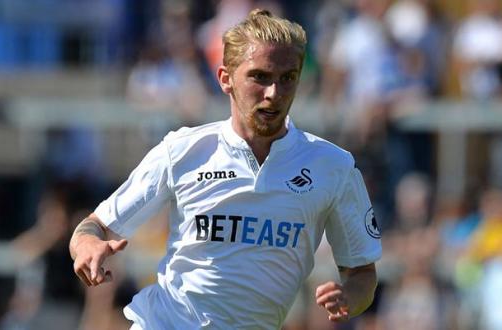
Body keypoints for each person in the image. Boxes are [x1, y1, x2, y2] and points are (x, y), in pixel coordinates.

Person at [69, 9, 381, 329]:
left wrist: (350, 298)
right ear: (225, 79)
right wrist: (88, 245)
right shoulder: (183, 151)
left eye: (287, 78)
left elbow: (361, 274)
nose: (273, 93)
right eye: (260, 76)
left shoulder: (333, 166)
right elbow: (93, 226)